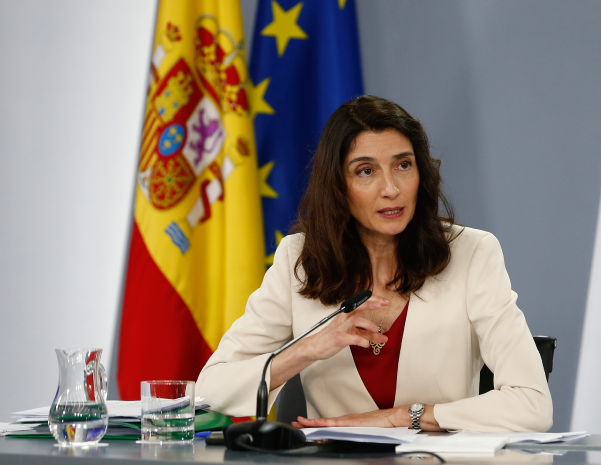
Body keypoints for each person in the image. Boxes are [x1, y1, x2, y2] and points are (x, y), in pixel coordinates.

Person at [196, 95, 552, 432]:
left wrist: (404, 417)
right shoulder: (299, 258)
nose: (391, 189)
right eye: (366, 171)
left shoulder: (472, 253)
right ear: (338, 185)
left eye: (403, 165)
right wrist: (307, 349)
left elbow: (532, 404)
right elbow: (211, 389)